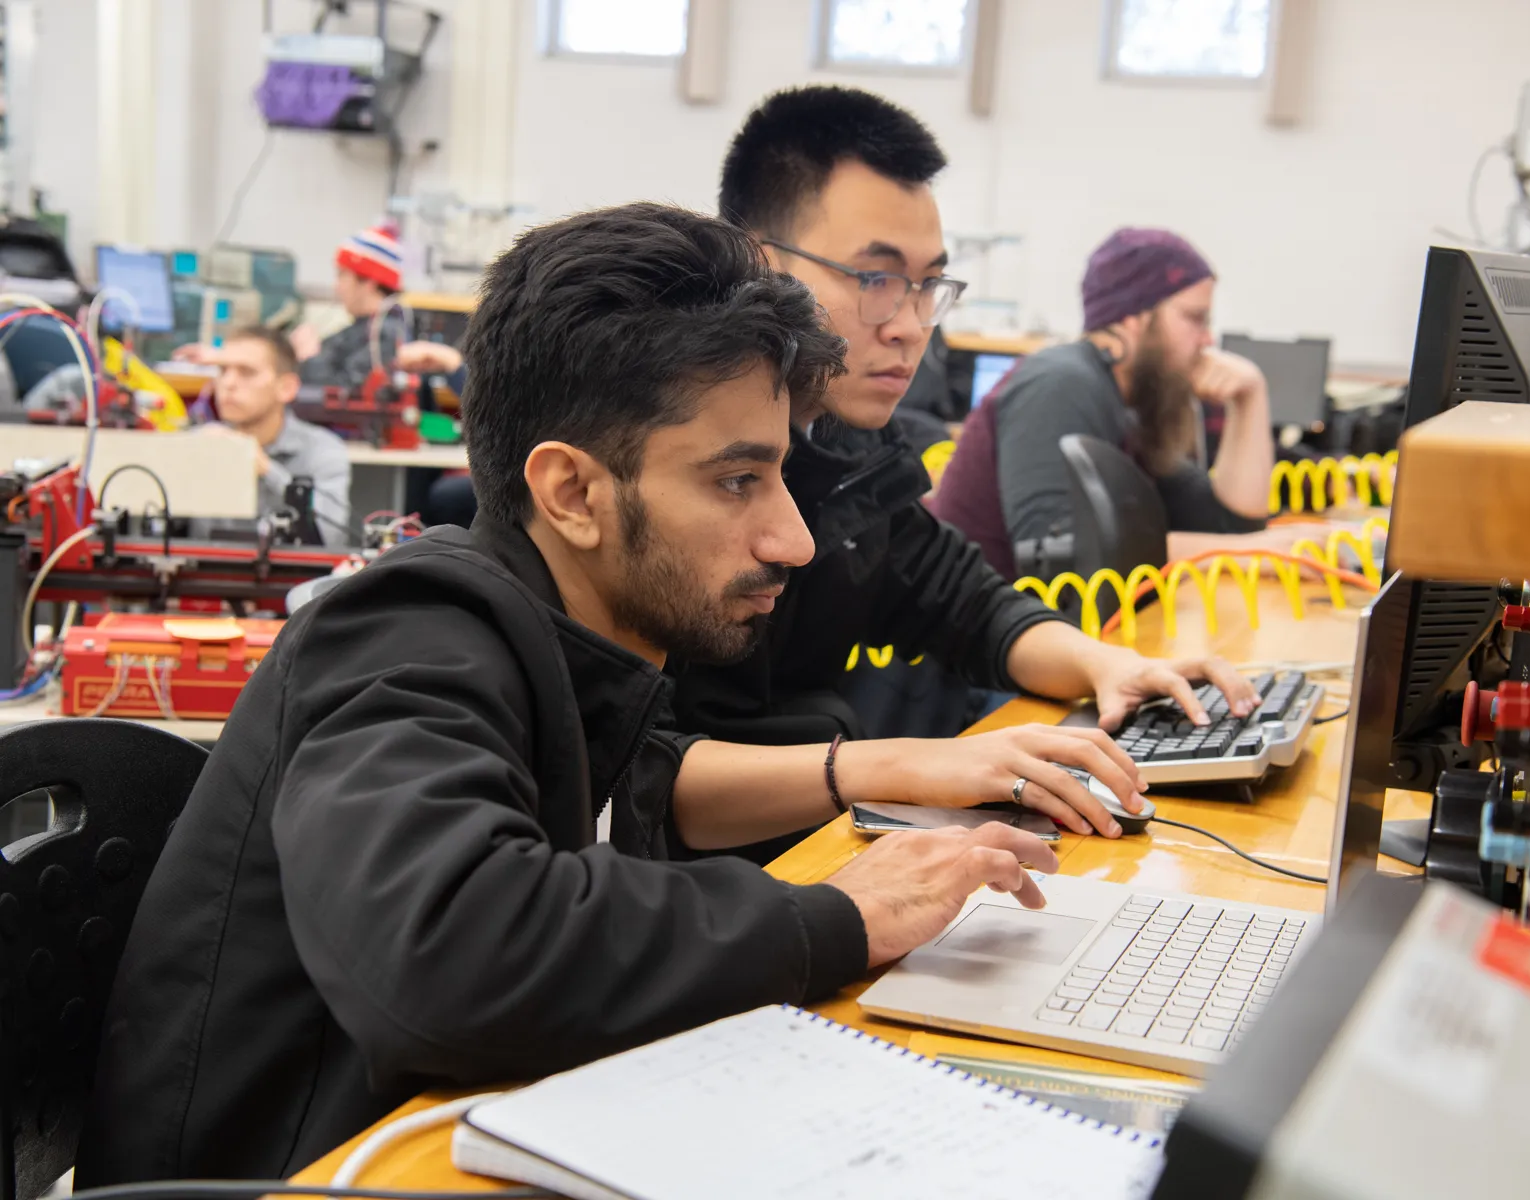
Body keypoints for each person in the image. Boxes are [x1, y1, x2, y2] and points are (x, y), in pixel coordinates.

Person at [79, 204, 1065, 1185]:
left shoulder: (567, 640)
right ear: (573, 492)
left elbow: (653, 781)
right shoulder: (406, 634)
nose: (793, 540)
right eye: (736, 481)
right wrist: (829, 918)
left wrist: (874, 788)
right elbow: (449, 945)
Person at [668, 86, 1257, 845]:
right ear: (758, 262)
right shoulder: (669, 460)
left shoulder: (842, 441)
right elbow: (635, 773)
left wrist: (1106, 666)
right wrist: (900, 768)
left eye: (927, 286)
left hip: (806, 834)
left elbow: (964, 603)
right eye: (875, 280)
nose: (912, 327)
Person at [931, 228, 1293, 578]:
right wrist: (1248, 553)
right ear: (1133, 317)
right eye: (1194, 318)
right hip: (974, 638)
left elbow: (1230, 526)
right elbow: (1058, 560)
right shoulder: (1062, 383)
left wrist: (1249, 398)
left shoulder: (1129, 405)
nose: (1206, 338)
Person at [174, 224, 408, 390]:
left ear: (369, 282)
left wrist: (310, 356)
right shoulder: (363, 330)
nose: (337, 288)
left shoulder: (383, 337)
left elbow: (344, 392)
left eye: (342, 276)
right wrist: (223, 356)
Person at [191, 325, 351, 546]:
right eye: (222, 371)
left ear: (286, 387)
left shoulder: (322, 450)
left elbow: (331, 537)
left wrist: (267, 470)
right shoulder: (197, 444)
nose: (228, 383)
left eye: (246, 372)